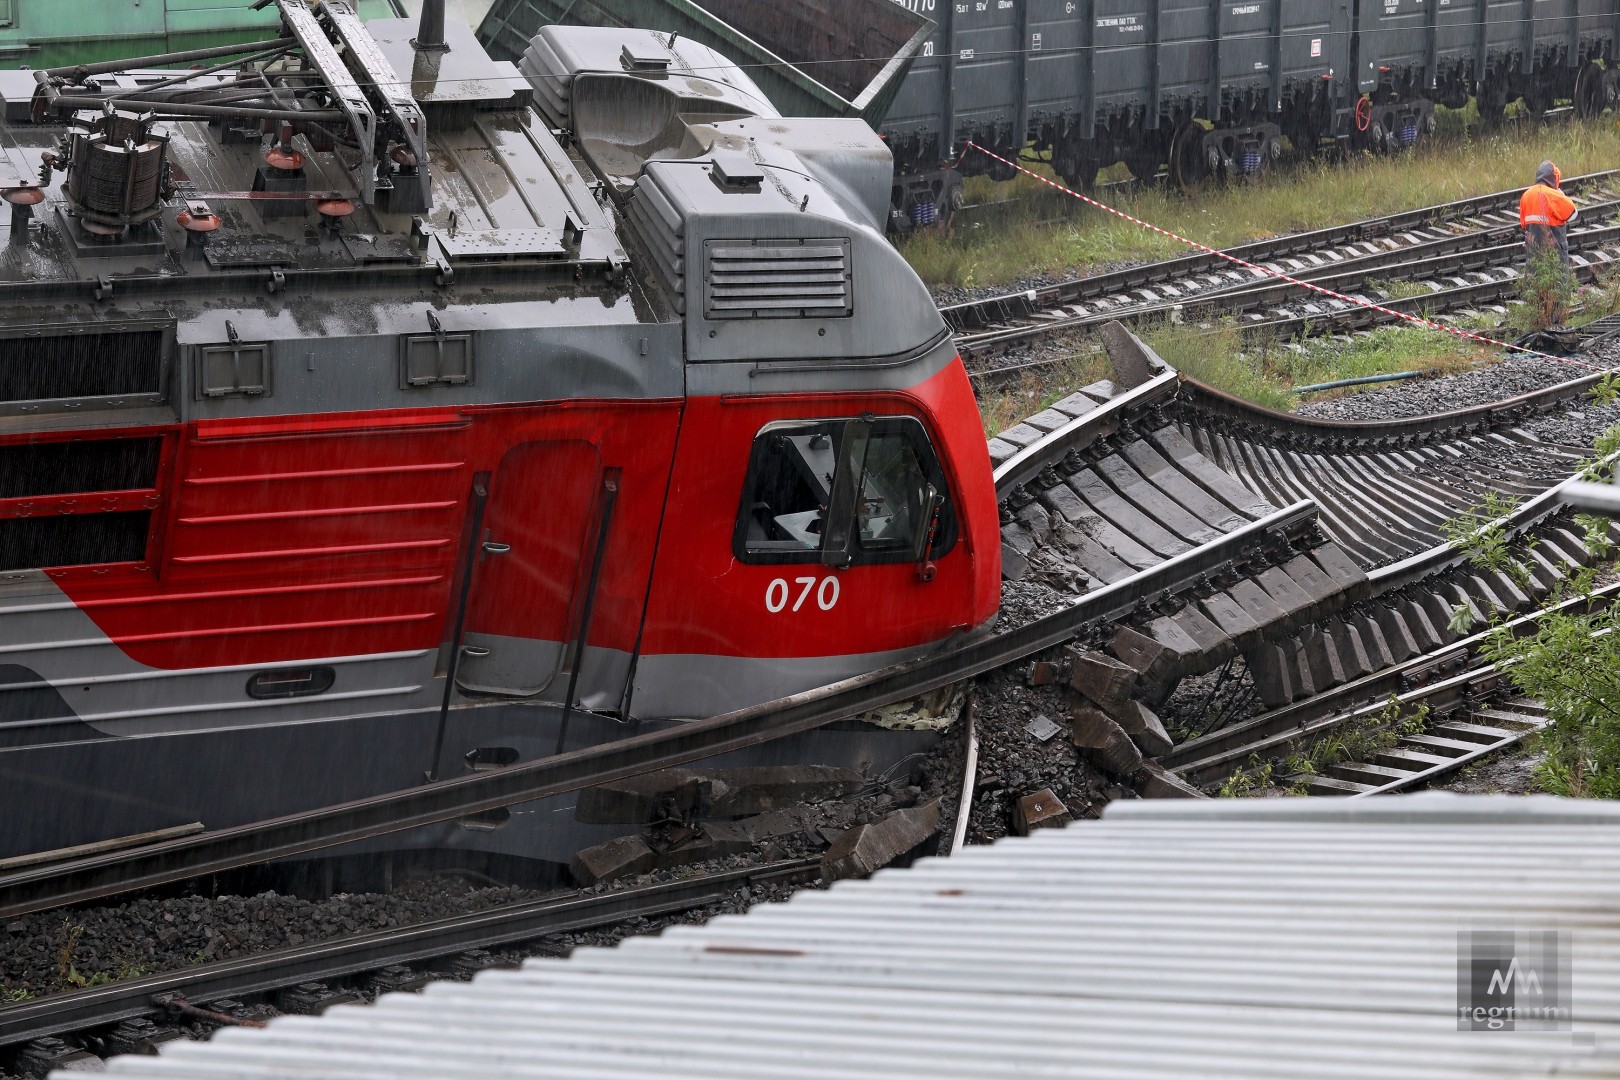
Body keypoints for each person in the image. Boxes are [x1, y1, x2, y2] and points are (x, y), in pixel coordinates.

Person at [1519, 160, 1578, 265]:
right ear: (1553, 179)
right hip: (1554, 253)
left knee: (1534, 276)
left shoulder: (1526, 196)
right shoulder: (1553, 195)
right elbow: (1573, 214)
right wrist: (1561, 194)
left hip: (1533, 252)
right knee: (1558, 280)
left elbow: (1523, 224)